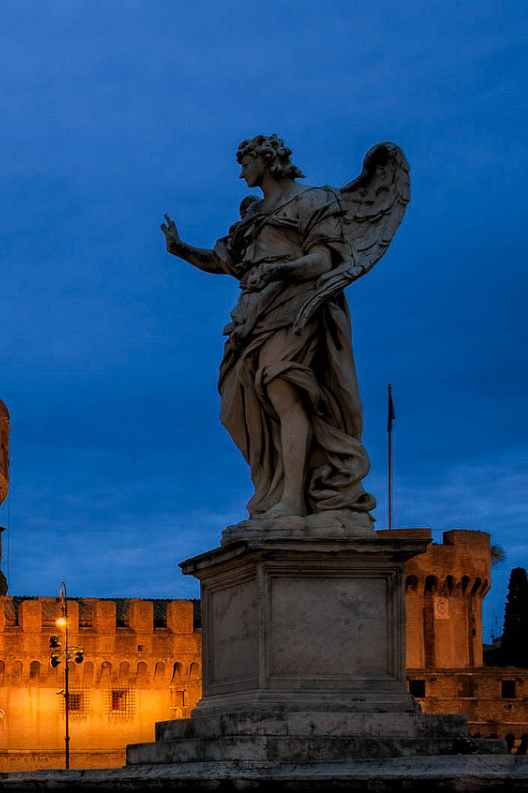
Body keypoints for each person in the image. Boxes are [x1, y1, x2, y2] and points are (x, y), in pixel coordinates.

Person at [161, 135, 406, 534]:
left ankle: (293, 502)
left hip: (298, 308)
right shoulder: (254, 216)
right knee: (243, 407)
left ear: (266, 160)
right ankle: (276, 495)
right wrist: (180, 249)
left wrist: (278, 270)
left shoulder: (314, 200)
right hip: (253, 315)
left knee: (284, 391)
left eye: (245, 163)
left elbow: (324, 259)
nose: (241, 173)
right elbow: (226, 263)